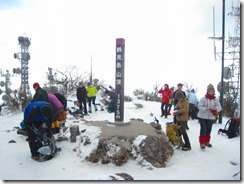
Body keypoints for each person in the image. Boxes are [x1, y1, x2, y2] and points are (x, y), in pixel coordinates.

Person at [197, 84, 222, 149]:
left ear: (214, 92)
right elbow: (199, 106)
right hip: (202, 116)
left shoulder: (215, 100)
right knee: (203, 129)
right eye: (210, 91)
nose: (211, 92)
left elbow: (219, 107)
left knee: (209, 129)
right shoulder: (203, 98)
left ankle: (207, 141)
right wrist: (205, 108)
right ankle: (202, 143)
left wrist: (215, 108)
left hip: (211, 117)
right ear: (207, 92)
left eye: (212, 91)